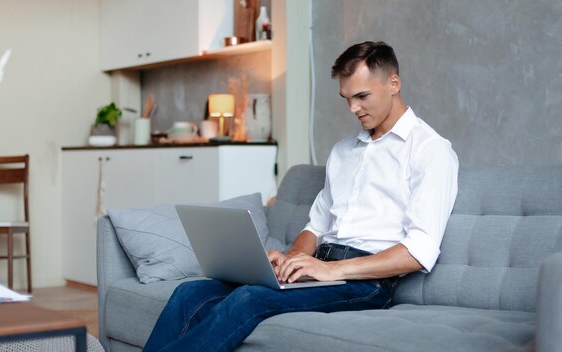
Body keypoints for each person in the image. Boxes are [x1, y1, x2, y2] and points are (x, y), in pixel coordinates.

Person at [142, 41, 459, 352]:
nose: (352, 109)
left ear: (394, 83)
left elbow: (419, 251)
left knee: (249, 299)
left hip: (367, 283)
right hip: (318, 268)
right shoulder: (343, 151)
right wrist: (292, 259)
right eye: (346, 98)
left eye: (362, 96)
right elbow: (316, 226)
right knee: (190, 292)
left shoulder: (429, 150)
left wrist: (333, 270)